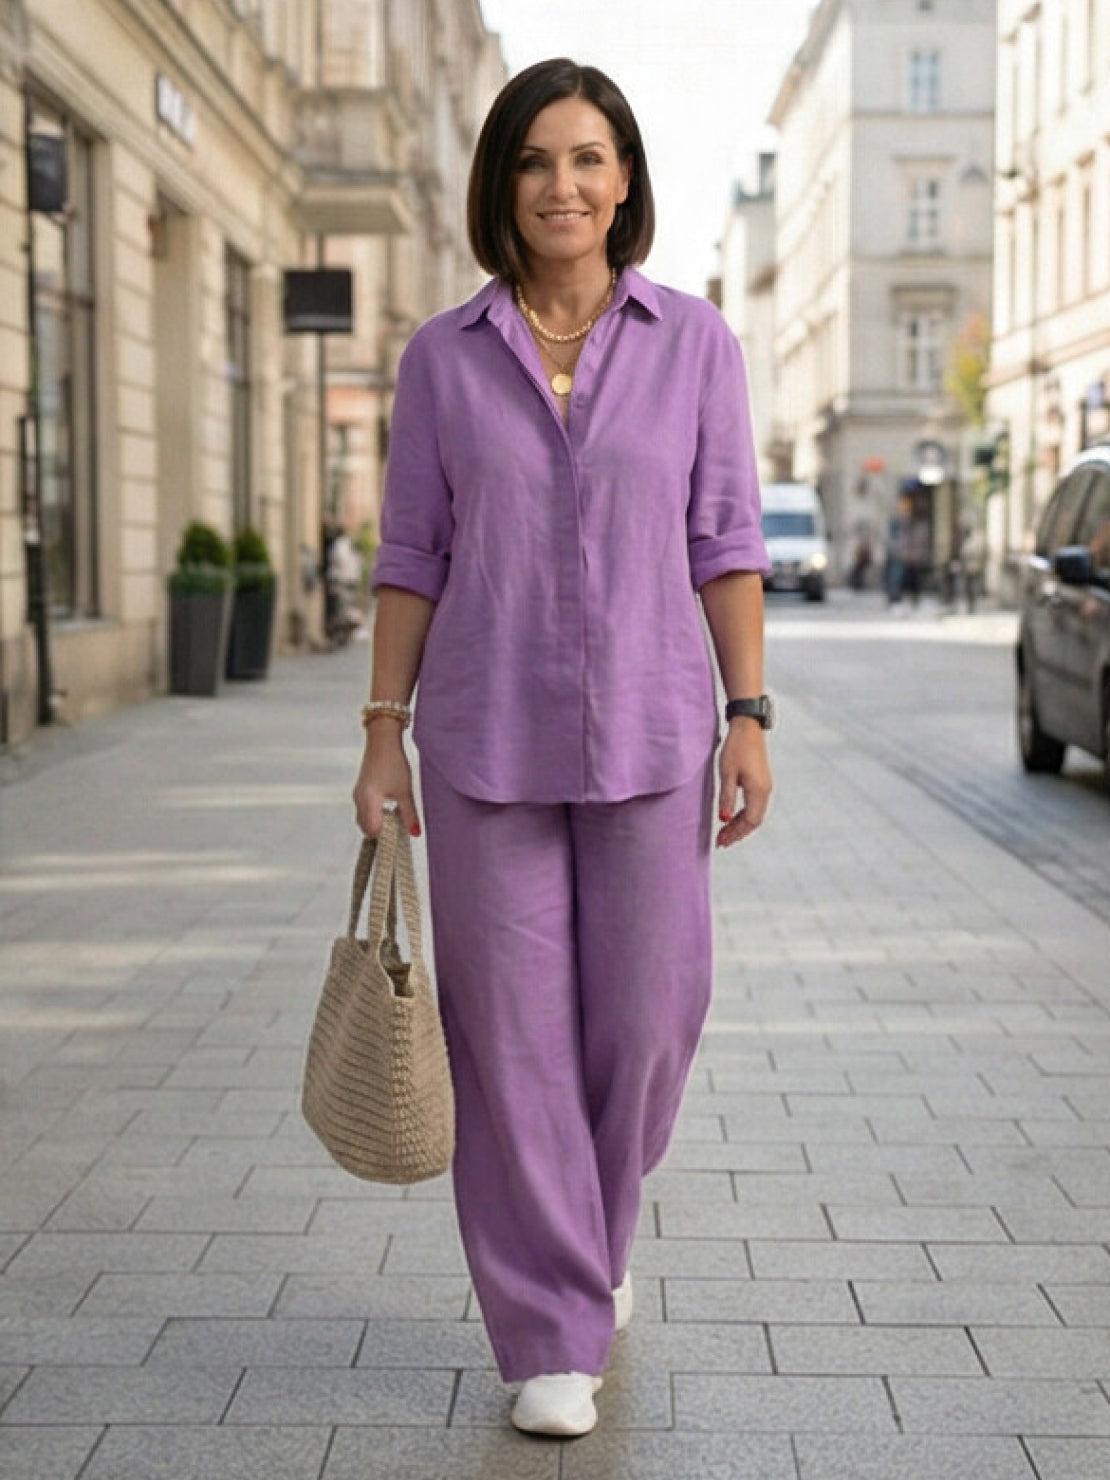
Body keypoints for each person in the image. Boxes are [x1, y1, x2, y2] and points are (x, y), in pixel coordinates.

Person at [352, 58, 773, 1439]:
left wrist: (748, 715)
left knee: (648, 1026)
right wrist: (380, 740)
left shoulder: (695, 342)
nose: (562, 186)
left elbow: (723, 540)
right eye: (536, 162)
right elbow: (412, 555)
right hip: (481, 743)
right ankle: (548, 1329)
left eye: (588, 159)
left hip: (656, 732)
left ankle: (591, 1234)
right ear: (502, 185)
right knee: (512, 1043)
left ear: (626, 179)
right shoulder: (442, 357)